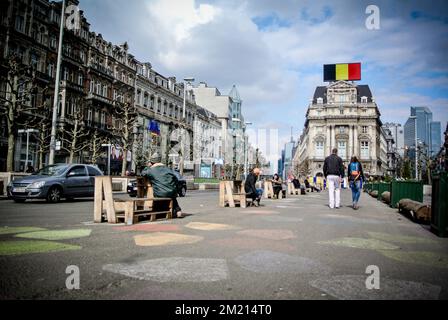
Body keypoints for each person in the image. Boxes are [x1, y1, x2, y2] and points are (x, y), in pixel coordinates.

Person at [141, 153, 183, 218]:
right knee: (172, 196)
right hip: (172, 192)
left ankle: (155, 213)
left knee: (159, 197)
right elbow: (176, 180)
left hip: (160, 194)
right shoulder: (168, 169)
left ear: (152, 162)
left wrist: (148, 166)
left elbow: (143, 173)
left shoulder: (151, 170)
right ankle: (178, 211)